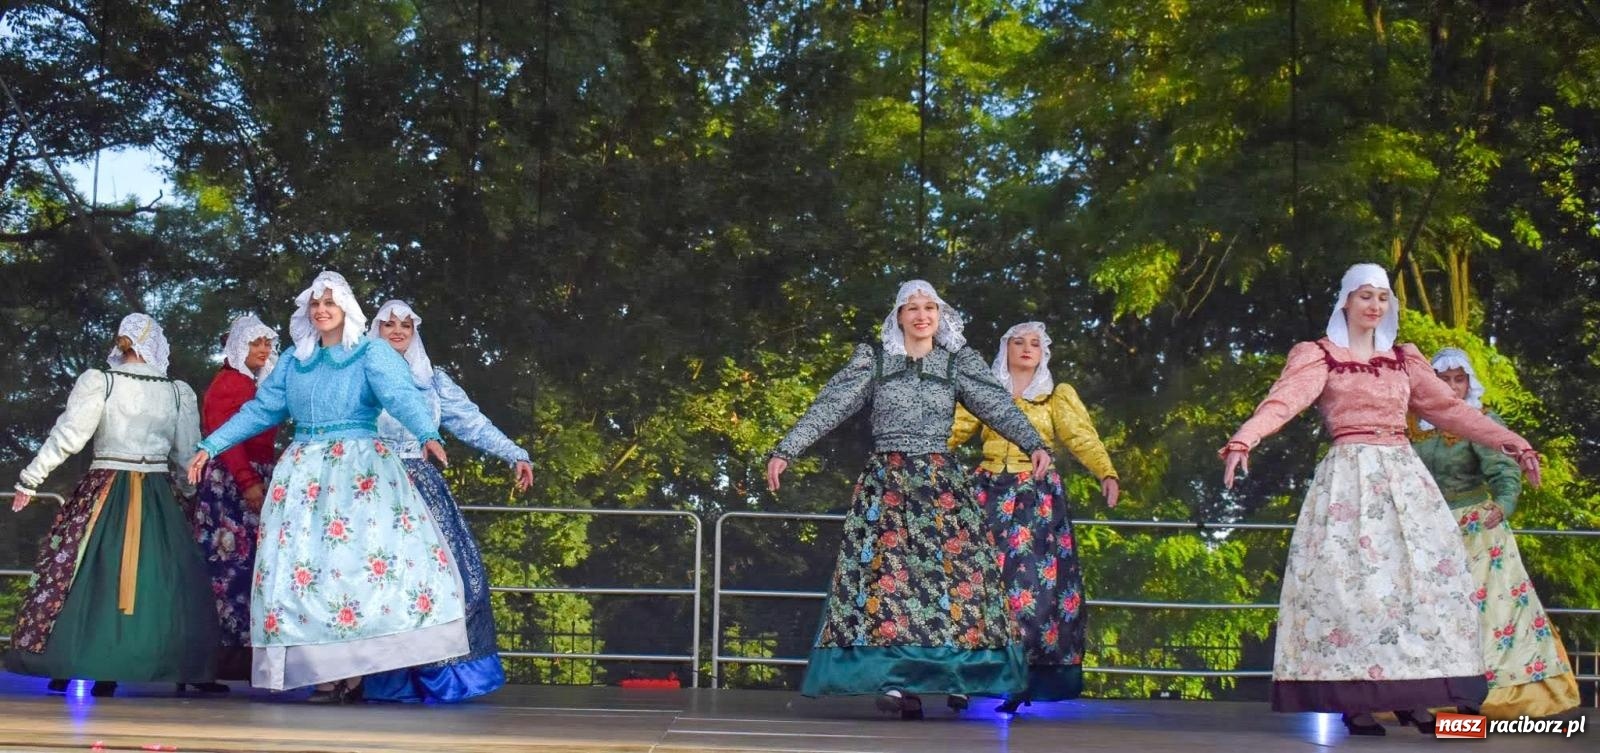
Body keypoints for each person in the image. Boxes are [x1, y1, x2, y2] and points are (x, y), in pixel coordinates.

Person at [1220, 264, 1542, 736]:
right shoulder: (1319, 357)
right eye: (1365, 296)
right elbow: (1281, 403)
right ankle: (1357, 704)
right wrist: (1243, 440)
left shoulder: (1405, 359)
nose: (1374, 305)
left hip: (1404, 481)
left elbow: (1452, 411)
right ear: (1346, 301)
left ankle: (1415, 696)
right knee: (1355, 592)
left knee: (1420, 588)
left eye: (1382, 298)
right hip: (1349, 482)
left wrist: (1511, 441)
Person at [766, 280, 1051, 719]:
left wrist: (1034, 442)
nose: (921, 315)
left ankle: (955, 677)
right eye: (912, 308)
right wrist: (787, 449)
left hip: (940, 485)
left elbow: (997, 406)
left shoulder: (957, 363)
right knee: (889, 583)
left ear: (939, 317)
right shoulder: (875, 361)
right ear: (898, 316)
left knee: (957, 584)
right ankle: (897, 683)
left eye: (929, 308)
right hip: (889, 483)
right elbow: (831, 405)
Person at [188, 271, 469, 703]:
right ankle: (323, 673)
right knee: (304, 572)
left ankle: (354, 670)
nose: (320, 310)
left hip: (358, 472)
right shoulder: (294, 361)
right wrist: (211, 444)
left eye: (329, 303)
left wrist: (427, 432)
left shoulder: (371, 353)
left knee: (353, 568)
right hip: (302, 474)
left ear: (345, 309)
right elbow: (261, 410)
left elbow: (400, 396)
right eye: (315, 304)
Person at [7, 313, 217, 697]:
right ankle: (148, 662)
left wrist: (31, 478)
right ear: (156, 345)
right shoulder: (176, 391)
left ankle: (73, 663)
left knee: (85, 572)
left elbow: (69, 435)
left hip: (105, 490)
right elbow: (187, 455)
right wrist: (190, 498)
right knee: (162, 578)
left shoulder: (101, 382)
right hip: (156, 493)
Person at [360, 300, 533, 703]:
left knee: (451, 580)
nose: (398, 330)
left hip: (421, 488)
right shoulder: (359, 374)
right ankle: (375, 678)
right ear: (376, 331)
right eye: (389, 325)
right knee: (375, 580)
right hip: (371, 486)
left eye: (406, 325)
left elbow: (470, 421)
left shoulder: (431, 380)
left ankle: (441, 676)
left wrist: (516, 453)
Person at [949, 321, 1118, 713]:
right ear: (1004, 349)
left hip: (1035, 499)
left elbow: (1082, 437)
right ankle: (963, 677)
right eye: (1018, 342)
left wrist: (1106, 472)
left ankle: (1020, 679)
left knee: (1031, 591)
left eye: (1035, 343)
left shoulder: (1055, 396)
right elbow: (951, 431)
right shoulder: (984, 391)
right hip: (988, 493)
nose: (1027, 348)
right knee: (972, 582)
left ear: (1044, 352)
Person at [1409, 348, 1579, 719]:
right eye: (1443, 379)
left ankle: (1480, 699)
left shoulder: (1480, 419)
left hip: (1476, 528)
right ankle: (1427, 693)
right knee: (1431, 611)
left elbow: (1505, 472)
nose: (1452, 387)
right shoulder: (1413, 426)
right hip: (1427, 530)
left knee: (1487, 611)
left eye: (1459, 379)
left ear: (1469, 382)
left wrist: (1502, 505)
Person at [190, 314, 281, 687]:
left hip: (253, 479)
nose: (262, 350)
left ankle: (246, 659)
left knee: (251, 572)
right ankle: (215, 662)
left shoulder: (256, 383)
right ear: (236, 347)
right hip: (233, 484)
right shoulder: (230, 383)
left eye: (266, 343)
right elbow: (227, 439)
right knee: (227, 573)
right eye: (253, 343)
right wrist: (247, 483)